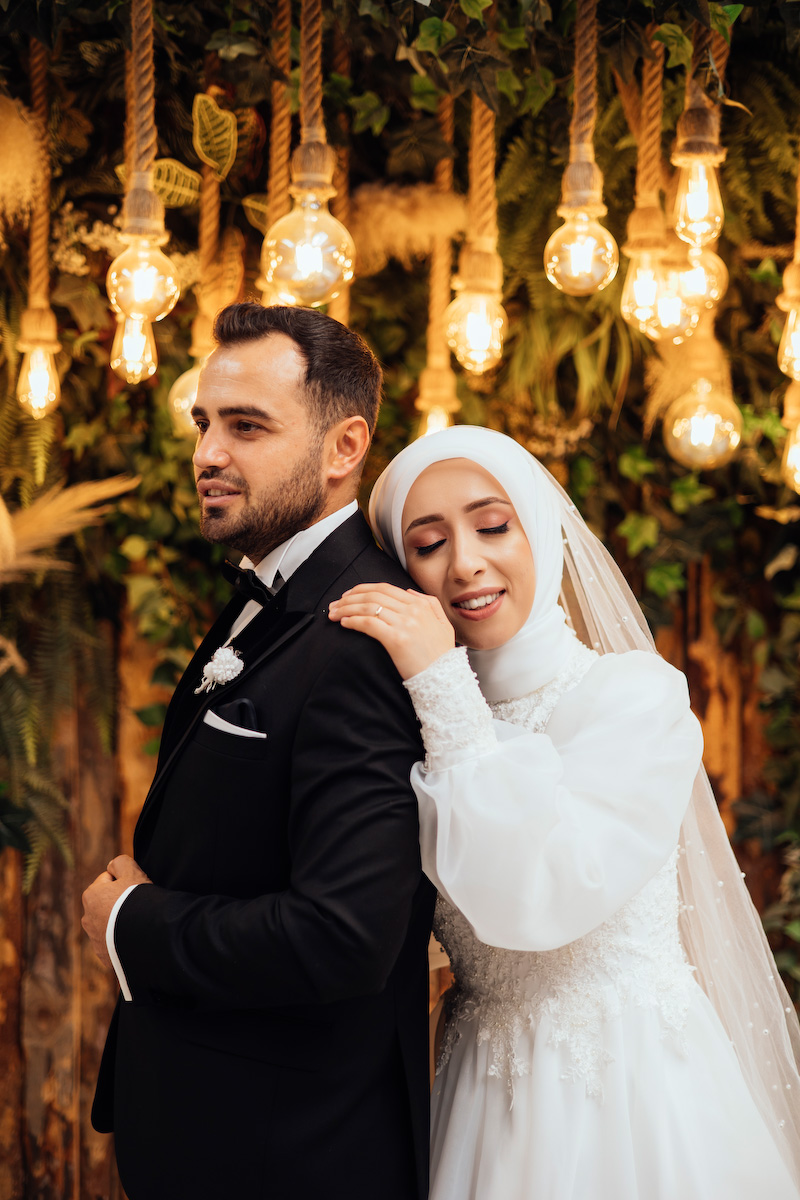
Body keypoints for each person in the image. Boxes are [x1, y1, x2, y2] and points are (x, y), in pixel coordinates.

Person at [329, 424, 800, 1200]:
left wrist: (441, 684)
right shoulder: (406, 727)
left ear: (542, 533)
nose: (465, 563)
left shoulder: (634, 698)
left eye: (493, 526)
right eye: (429, 544)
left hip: (631, 1094)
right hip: (481, 1090)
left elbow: (539, 896)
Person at [81, 302, 436, 1200]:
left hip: (291, 1154)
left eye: (246, 427)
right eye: (204, 423)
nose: (207, 453)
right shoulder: (270, 592)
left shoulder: (363, 634)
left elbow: (343, 937)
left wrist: (133, 922)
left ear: (344, 446)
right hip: (213, 1129)